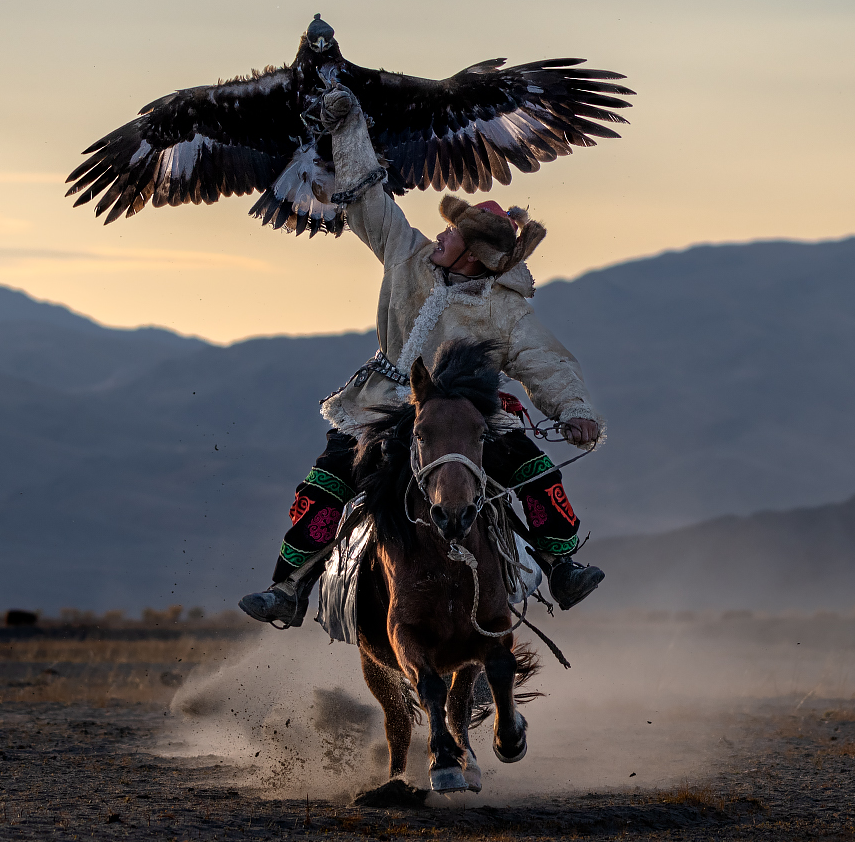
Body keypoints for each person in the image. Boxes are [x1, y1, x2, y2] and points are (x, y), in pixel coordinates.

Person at [239, 86, 606, 628]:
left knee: (529, 469)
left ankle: (560, 564)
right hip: (382, 403)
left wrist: (573, 411)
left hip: (467, 413)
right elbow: (367, 196)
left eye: (453, 233)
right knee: (330, 479)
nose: (440, 232)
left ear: (476, 257)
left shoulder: (504, 313)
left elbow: (546, 363)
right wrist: (346, 129)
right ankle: (290, 587)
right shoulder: (405, 253)